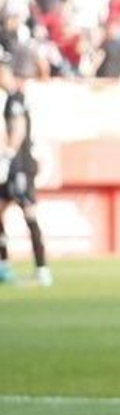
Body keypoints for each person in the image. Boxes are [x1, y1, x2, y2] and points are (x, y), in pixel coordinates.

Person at [0, 56, 49, 287]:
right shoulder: (9, 99)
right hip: (12, 166)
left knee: (29, 213)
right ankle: (4, 265)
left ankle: (42, 268)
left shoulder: (15, 99)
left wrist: (7, 157)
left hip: (20, 167)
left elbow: (18, 130)